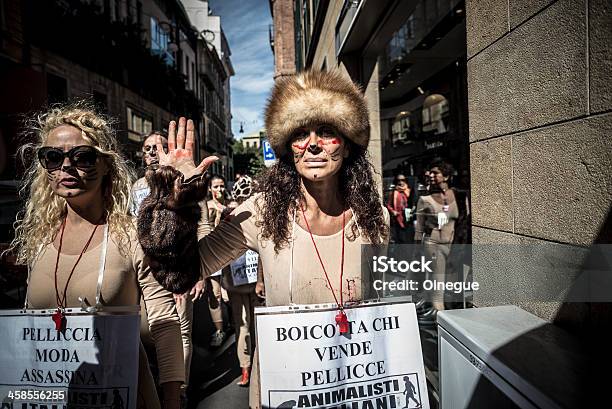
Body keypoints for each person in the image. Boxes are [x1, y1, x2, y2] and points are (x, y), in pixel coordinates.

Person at [138, 70, 390, 408]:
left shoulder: (376, 219)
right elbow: (181, 274)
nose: (313, 142)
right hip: (284, 389)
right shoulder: (262, 212)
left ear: (346, 144)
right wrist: (175, 198)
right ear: (289, 148)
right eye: (301, 134)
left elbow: (384, 309)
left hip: (355, 387)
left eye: (327, 131)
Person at [8, 102, 191, 409]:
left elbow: (164, 322)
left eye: (82, 157)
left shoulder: (130, 236)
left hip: (125, 397)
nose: (66, 166)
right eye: (52, 157)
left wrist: (172, 398)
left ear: (107, 164)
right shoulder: (37, 239)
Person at [131, 130, 197, 404]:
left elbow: (199, 224)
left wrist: (198, 272)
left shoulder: (179, 181)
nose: (150, 154)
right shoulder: (135, 188)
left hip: (177, 266)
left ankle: (178, 390)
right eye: (146, 149)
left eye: (155, 148)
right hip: (147, 270)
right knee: (152, 329)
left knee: (180, 329)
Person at [221, 175, 264, 387]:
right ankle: (245, 368)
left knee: (256, 325)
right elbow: (220, 251)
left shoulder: (261, 217)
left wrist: (262, 281)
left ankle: (258, 366)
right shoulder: (228, 217)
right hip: (237, 283)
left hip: (256, 283)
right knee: (243, 325)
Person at [414, 161, 469, 312]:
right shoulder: (425, 200)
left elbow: (464, 221)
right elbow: (419, 228)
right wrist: (416, 250)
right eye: (430, 173)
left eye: (435, 172)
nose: (431, 175)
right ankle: (440, 318)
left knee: (451, 283)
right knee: (438, 282)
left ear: (446, 176)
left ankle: (437, 307)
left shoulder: (459, 196)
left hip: (454, 245)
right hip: (434, 244)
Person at [206, 174, 229, 347]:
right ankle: (219, 330)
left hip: (229, 252)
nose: (219, 190)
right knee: (216, 294)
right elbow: (207, 230)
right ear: (209, 189)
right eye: (216, 187)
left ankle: (234, 323)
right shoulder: (209, 207)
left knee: (229, 292)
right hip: (214, 253)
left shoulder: (229, 205)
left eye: (221, 186)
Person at [386, 173, 415, 243]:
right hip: (398, 219)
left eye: (403, 180)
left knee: (409, 240)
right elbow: (388, 205)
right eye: (398, 180)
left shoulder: (409, 191)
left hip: (408, 219)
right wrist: (393, 211)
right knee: (400, 240)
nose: (401, 182)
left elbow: (413, 203)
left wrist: (413, 209)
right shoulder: (393, 193)